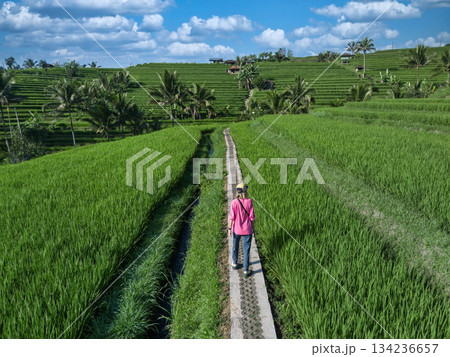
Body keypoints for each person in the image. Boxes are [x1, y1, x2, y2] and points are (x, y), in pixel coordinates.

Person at [228, 183, 255, 277]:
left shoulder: (234, 202)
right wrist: (253, 228)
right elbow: (252, 218)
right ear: (245, 191)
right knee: (246, 250)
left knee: (235, 247)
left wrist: (229, 228)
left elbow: (232, 217)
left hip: (236, 229)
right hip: (247, 230)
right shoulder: (249, 201)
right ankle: (246, 270)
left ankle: (235, 264)